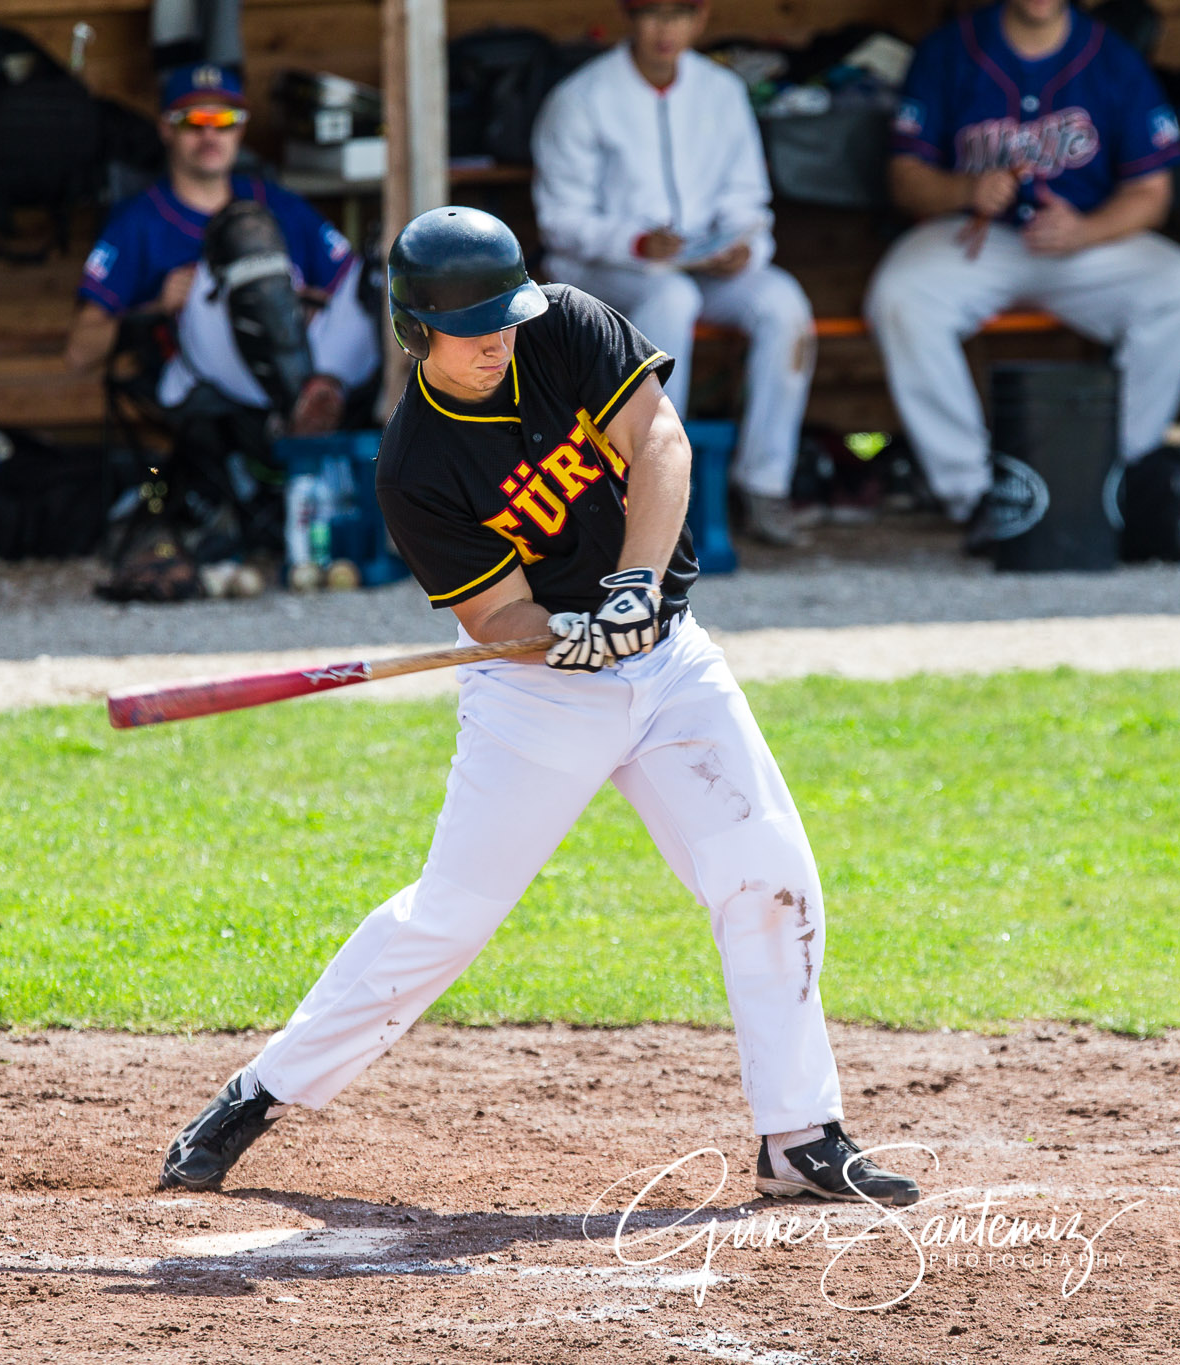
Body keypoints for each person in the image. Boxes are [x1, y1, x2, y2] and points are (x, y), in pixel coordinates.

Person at [157, 207, 920, 1211]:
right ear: (415, 333)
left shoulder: (565, 325)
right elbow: (497, 616)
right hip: (535, 695)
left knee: (769, 876)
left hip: (670, 662)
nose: (498, 343)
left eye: (504, 320)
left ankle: (799, 1133)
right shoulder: (415, 467)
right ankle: (259, 1093)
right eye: (472, 330)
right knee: (448, 920)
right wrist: (567, 635)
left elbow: (660, 443)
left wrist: (633, 588)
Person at [865, 0, 1180, 531]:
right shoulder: (950, 50)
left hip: (1084, 240)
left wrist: (1088, 230)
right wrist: (964, 189)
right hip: (980, 237)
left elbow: (1151, 191)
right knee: (900, 296)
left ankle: (1110, 474)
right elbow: (905, 177)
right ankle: (973, 494)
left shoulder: (1112, 56)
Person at [532, 0, 816, 548]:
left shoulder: (721, 90)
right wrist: (635, 241)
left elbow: (747, 200)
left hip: (702, 264)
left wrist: (743, 247)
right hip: (605, 271)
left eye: (680, 12)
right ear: (630, 16)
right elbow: (561, 221)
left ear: (701, 18)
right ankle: (657, 480)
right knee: (671, 296)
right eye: (652, 12)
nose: (665, 28)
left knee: (783, 304)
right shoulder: (582, 96)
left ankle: (764, 484)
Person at [65, 64, 377, 435]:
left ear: (240, 129)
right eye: (193, 120)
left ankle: (314, 401)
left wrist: (297, 303)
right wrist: (156, 306)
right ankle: (300, 404)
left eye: (224, 120)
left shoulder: (278, 203)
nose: (209, 134)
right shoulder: (138, 222)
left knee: (379, 271)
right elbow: (78, 354)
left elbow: (350, 288)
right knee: (240, 251)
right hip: (215, 370)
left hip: (319, 358)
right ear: (166, 128)